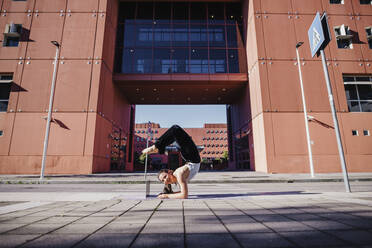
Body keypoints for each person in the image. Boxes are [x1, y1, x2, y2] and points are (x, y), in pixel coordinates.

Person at [142, 125, 201, 199]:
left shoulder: (179, 174)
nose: (165, 180)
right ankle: (160, 149)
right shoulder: (179, 177)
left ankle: (156, 147)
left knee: (175, 130)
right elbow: (183, 194)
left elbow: (184, 195)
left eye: (165, 177)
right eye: (163, 180)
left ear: (170, 172)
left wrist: (166, 195)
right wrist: (170, 194)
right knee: (175, 133)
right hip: (191, 157)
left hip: (191, 157)